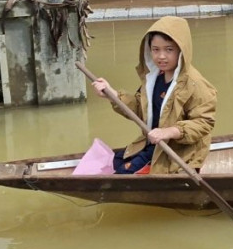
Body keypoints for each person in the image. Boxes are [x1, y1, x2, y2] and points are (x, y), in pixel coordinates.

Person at [90, 16, 217, 174]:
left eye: (169, 50)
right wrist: (112, 95)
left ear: (181, 50)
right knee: (113, 162)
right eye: (156, 50)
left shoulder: (195, 84)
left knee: (122, 174)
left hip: (176, 154)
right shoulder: (154, 77)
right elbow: (140, 108)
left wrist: (168, 132)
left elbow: (203, 123)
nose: (161, 56)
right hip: (151, 145)